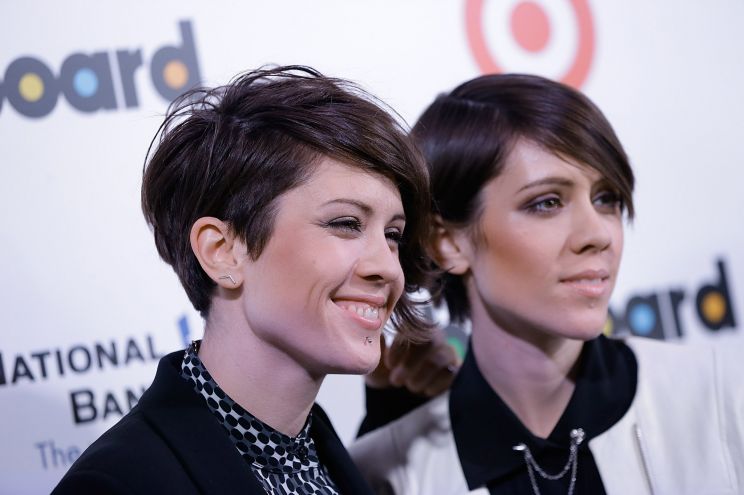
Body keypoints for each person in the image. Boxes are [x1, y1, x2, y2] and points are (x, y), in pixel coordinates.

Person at [350, 73, 744, 494]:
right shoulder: (388, 473)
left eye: (606, 198)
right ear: (446, 242)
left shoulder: (722, 392)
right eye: (547, 203)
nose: (598, 234)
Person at [52, 65, 436, 495]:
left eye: (392, 235)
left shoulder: (322, 455)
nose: (387, 267)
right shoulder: (120, 484)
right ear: (222, 251)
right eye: (346, 224)